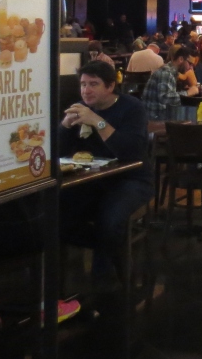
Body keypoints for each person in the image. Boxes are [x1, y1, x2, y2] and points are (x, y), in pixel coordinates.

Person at [59, 60, 153, 280]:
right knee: (56, 215)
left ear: (110, 86)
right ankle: (111, 250)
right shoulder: (80, 109)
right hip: (93, 179)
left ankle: (106, 277)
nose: (86, 90)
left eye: (93, 84)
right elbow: (58, 151)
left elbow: (130, 151)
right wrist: (65, 126)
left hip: (132, 179)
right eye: (83, 84)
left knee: (109, 222)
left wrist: (98, 122)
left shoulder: (132, 108)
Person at [142, 47, 189, 121]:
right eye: (189, 63)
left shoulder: (170, 72)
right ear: (181, 59)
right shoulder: (166, 73)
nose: (190, 67)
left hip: (157, 115)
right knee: (189, 118)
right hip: (155, 119)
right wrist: (188, 93)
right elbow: (165, 98)